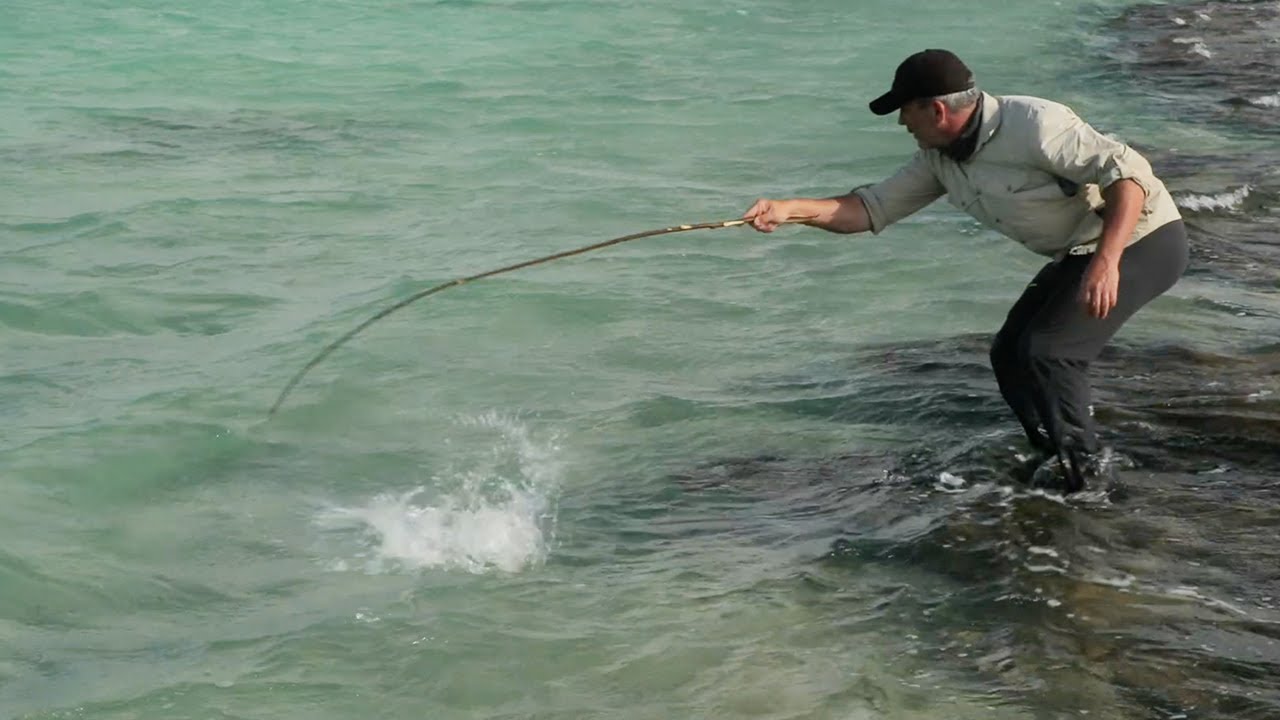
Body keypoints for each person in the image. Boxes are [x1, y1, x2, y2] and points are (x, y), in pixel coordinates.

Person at [743, 49, 1189, 493]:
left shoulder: (1035, 123)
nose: (901, 123)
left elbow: (1128, 177)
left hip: (1142, 239)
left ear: (936, 109)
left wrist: (1107, 262)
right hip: (1082, 250)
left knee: (1050, 352)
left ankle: (1090, 483)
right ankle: (1055, 455)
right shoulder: (940, 160)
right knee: (1010, 354)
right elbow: (866, 209)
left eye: (905, 111)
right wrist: (790, 210)